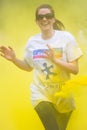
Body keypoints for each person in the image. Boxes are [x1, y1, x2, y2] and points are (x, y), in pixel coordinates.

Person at [0, 4, 83, 130]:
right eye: (40, 17)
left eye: (48, 16)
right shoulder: (32, 42)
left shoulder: (67, 38)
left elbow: (75, 70)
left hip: (63, 96)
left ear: (53, 19)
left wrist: (55, 60)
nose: (44, 19)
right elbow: (28, 67)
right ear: (37, 21)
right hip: (41, 93)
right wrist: (14, 59)